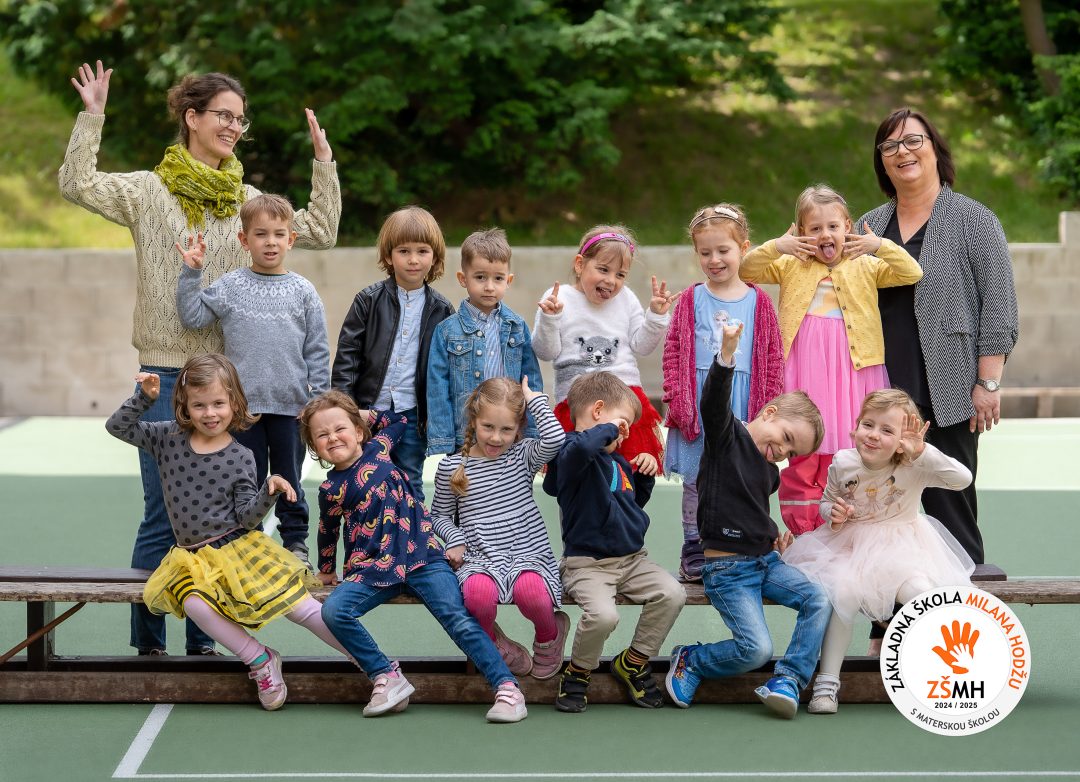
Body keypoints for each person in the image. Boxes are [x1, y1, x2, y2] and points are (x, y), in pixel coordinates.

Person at [61, 61, 340, 655]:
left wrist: (323, 162)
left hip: (227, 389)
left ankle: (205, 643)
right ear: (192, 117)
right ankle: (149, 647)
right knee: (162, 516)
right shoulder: (146, 190)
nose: (235, 127)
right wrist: (93, 116)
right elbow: (76, 184)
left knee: (222, 520)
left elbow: (319, 229)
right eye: (224, 116)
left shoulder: (246, 201)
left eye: (241, 120)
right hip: (166, 377)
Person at [105, 354, 349, 711]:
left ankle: (370, 660)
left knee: (300, 607)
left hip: (239, 550)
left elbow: (247, 519)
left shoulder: (240, 456)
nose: (210, 413)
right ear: (184, 405)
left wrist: (268, 492)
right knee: (194, 603)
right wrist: (144, 399)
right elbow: (117, 427)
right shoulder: (165, 437)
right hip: (193, 559)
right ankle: (260, 659)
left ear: (235, 403)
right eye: (199, 405)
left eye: (218, 403)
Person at [301, 391, 527, 723]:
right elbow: (327, 529)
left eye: (340, 428)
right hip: (373, 567)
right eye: (322, 435)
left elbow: (398, 420)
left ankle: (507, 688)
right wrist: (325, 569)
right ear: (314, 447)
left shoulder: (379, 448)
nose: (333, 437)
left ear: (359, 432)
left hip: (422, 557)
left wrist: (355, 412)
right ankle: (386, 675)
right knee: (334, 611)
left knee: (457, 618)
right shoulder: (330, 489)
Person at [856, 108, 1019, 567]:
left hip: (948, 389)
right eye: (890, 146)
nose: (902, 152)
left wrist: (988, 383)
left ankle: (962, 603)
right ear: (882, 161)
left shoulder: (974, 219)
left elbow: (999, 305)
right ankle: (890, 610)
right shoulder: (868, 225)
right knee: (880, 511)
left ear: (935, 149)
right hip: (881, 392)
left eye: (913, 141)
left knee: (953, 510)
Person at [664, 322, 831, 719]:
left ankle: (788, 679)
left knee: (819, 598)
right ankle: (692, 659)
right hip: (727, 571)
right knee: (756, 650)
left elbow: (748, 513)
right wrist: (726, 355)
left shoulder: (769, 472)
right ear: (769, 413)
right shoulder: (727, 438)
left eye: (793, 452)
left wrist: (773, 538)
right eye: (786, 437)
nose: (784, 452)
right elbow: (713, 402)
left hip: (765, 563)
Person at [740, 185, 923, 536]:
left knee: (848, 447)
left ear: (847, 227)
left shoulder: (864, 264)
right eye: (815, 228)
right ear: (802, 232)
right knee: (803, 444)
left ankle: (847, 519)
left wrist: (878, 245)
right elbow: (747, 270)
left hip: (853, 366)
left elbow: (911, 272)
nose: (825, 234)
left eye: (833, 227)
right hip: (805, 362)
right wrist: (779, 246)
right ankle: (803, 526)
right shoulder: (792, 263)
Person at [783, 389, 975, 714]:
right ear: (856, 426)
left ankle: (928, 671)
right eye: (868, 425)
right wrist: (833, 513)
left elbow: (962, 479)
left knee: (921, 593)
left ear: (902, 440)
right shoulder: (843, 462)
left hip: (903, 550)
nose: (873, 435)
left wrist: (922, 451)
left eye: (887, 430)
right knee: (843, 594)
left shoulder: (914, 465)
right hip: (848, 547)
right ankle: (827, 683)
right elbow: (827, 501)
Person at [175, 194, 329, 569]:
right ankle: (250, 546)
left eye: (279, 234)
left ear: (291, 240)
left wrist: (319, 402)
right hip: (242, 411)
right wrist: (191, 273)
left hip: (292, 408)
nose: (270, 242)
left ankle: (296, 544)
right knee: (247, 481)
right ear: (245, 240)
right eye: (261, 234)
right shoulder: (231, 286)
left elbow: (317, 350)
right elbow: (193, 317)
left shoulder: (304, 291)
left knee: (289, 478)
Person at [544, 371, 686, 713]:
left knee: (672, 594)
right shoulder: (569, 453)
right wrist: (609, 429)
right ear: (597, 412)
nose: (626, 434)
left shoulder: (618, 462)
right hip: (587, 565)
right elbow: (582, 447)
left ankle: (633, 662)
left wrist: (644, 477)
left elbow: (630, 507)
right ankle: (578, 672)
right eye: (623, 424)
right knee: (604, 616)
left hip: (632, 560)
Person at [662, 203, 784, 583]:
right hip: (700, 401)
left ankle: (743, 545)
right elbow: (674, 351)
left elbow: (772, 356)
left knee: (741, 477)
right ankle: (694, 547)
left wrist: (766, 406)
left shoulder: (758, 301)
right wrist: (678, 399)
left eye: (723, 250)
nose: (714, 260)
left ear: (743, 248)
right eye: (705, 252)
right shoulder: (691, 298)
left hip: (742, 402)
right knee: (697, 481)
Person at [429, 377, 569, 680]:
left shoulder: (523, 455)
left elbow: (556, 439)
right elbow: (438, 515)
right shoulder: (452, 467)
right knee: (477, 598)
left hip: (526, 553)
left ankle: (550, 636)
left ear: (519, 427)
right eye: (488, 427)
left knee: (532, 594)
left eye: (507, 429)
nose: (496, 437)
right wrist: (455, 539)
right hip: (479, 556)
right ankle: (494, 645)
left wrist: (534, 401)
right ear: (473, 421)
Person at [533, 225, 673, 508]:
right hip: (579, 404)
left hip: (622, 401)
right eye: (603, 269)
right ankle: (580, 529)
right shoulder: (560, 298)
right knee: (578, 480)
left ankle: (624, 524)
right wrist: (550, 319)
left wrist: (656, 317)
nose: (611, 280)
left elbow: (641, 345)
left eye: (620, 274)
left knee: (625, 477)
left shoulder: (626, 299)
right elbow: (546, 351)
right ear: (580, 264)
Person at [331, 206, 454, 504]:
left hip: (412, 415)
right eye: (404, 251)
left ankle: (414, 535)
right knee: (362, 482)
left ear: (435, 257)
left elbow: (446, 371)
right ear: (389, 256)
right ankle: (364, 534)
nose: (413, 259)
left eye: (422, 251)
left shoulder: (442, 310)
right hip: (367, 412)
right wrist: (346, 410)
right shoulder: (368, 301)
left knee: (409, 481)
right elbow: (347, 358)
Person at [426, 228, 543, 456]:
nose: (489, 286)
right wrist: (442, 445)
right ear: (463, 278)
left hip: (509, 436)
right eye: (480, 277)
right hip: (464, 438)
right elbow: (437, 391)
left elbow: (532, 384)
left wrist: (532, 437)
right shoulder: (446, 331)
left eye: (498, 278)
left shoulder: (517, 326)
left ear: (508, 281)